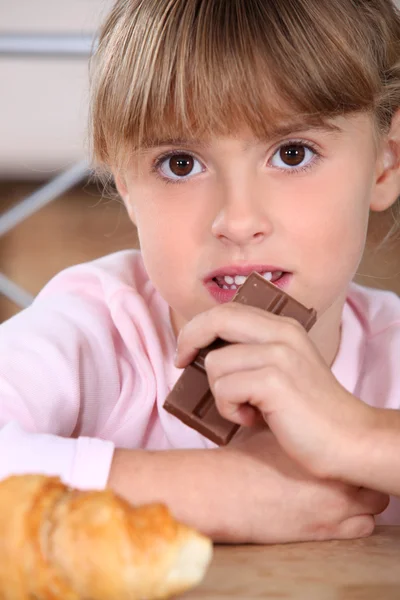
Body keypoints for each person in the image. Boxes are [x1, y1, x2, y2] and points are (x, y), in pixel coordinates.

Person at [1, 0, 400, 545]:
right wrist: (216, 490)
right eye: (180, 164)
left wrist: (360, 436)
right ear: (124, 182)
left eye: (292, 153)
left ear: (389, 159)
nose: (236, 221)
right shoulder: (96, 329)